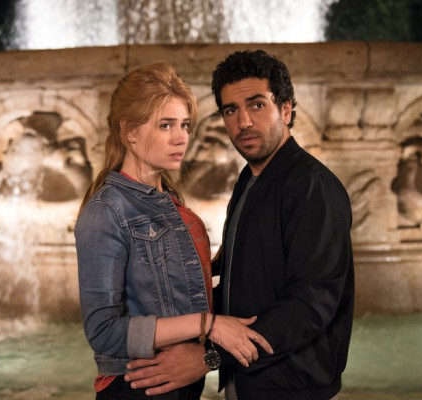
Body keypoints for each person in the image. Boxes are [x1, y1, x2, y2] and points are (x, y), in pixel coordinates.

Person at [124, 50, 355, 400]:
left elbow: (311, 305)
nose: (243, 122)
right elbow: (245, 284)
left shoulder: (311, 187)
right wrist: (169, 324)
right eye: (231, 110)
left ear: (286, 110)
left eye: (257, 105)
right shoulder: (250, 179)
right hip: (250, 380)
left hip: (293, 387)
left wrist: (208, 358)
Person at [73, 61, 273, 400]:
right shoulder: (105, 211)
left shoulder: (170, 201)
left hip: (181, 387)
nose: (181, 138)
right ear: (130, 132)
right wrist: (208, 325)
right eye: (165, 125)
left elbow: (177, 289)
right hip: (138, 388)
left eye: (184, 125)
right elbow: (103, 332)